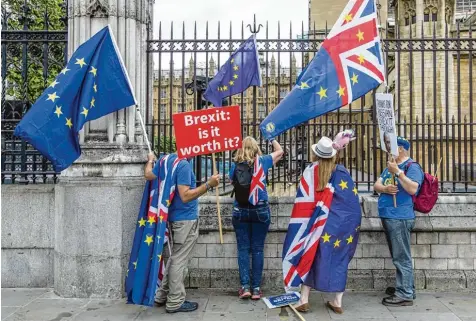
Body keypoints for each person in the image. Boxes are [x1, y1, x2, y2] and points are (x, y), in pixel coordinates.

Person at [291, 135, 361, 315]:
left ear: (316, 154)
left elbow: (303, 200)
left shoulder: (310, 171)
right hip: (340, 225)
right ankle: (337, 301)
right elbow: (351, 202)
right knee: (340, 259)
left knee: (311, 257)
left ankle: (304, 300)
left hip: (317, 224)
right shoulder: (341, 172)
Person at [144, 152, 220, 313]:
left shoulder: (166, 160)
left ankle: (162, 295)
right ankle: (175, 301)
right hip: (185, 220)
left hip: (174, 218)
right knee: (179, 261)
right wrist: (209, 184)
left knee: (174, 258)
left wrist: (150, 160)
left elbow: (148, 174)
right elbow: (185, 196)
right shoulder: (183, 165)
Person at [228, 137, 284, 300]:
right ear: (256, 148)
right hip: (260, 208)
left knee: (243, 249)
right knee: (258, 249)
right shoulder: (263, 161)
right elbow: (280, 152)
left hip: (240, 209)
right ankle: (257, 289)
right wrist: (272, 138)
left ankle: (245, 287)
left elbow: (232, 181)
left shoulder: (235, 166)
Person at [373, 136, 424, 307]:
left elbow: (412, 188)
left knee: (401, 257)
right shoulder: (390, 166)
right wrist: (385, 188)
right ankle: (405, 287)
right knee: (398, 255)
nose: (388, 150)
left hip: (400, 216)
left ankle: (405, 294)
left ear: (400, 149)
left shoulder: (412, 167)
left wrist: (398, 173)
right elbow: (376, 185)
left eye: (391, 147)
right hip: (389, 215)